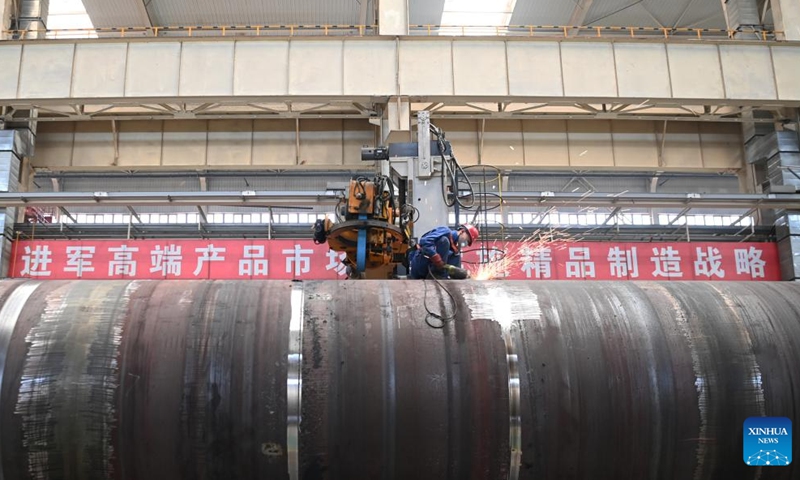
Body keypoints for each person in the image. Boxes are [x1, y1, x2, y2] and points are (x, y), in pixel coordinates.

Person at [408, 224, 479, 279]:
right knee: (444, 241)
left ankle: (441, 276)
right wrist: (435, 256)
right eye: (467, 239)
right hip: (420, 265)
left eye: (468, 242)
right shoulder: (446, 231)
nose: (465, 241)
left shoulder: (455, 250)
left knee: (456, 255)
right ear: (462, 231)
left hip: (431, 272)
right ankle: (437, 274)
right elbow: (425, 241)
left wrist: (462, 274)